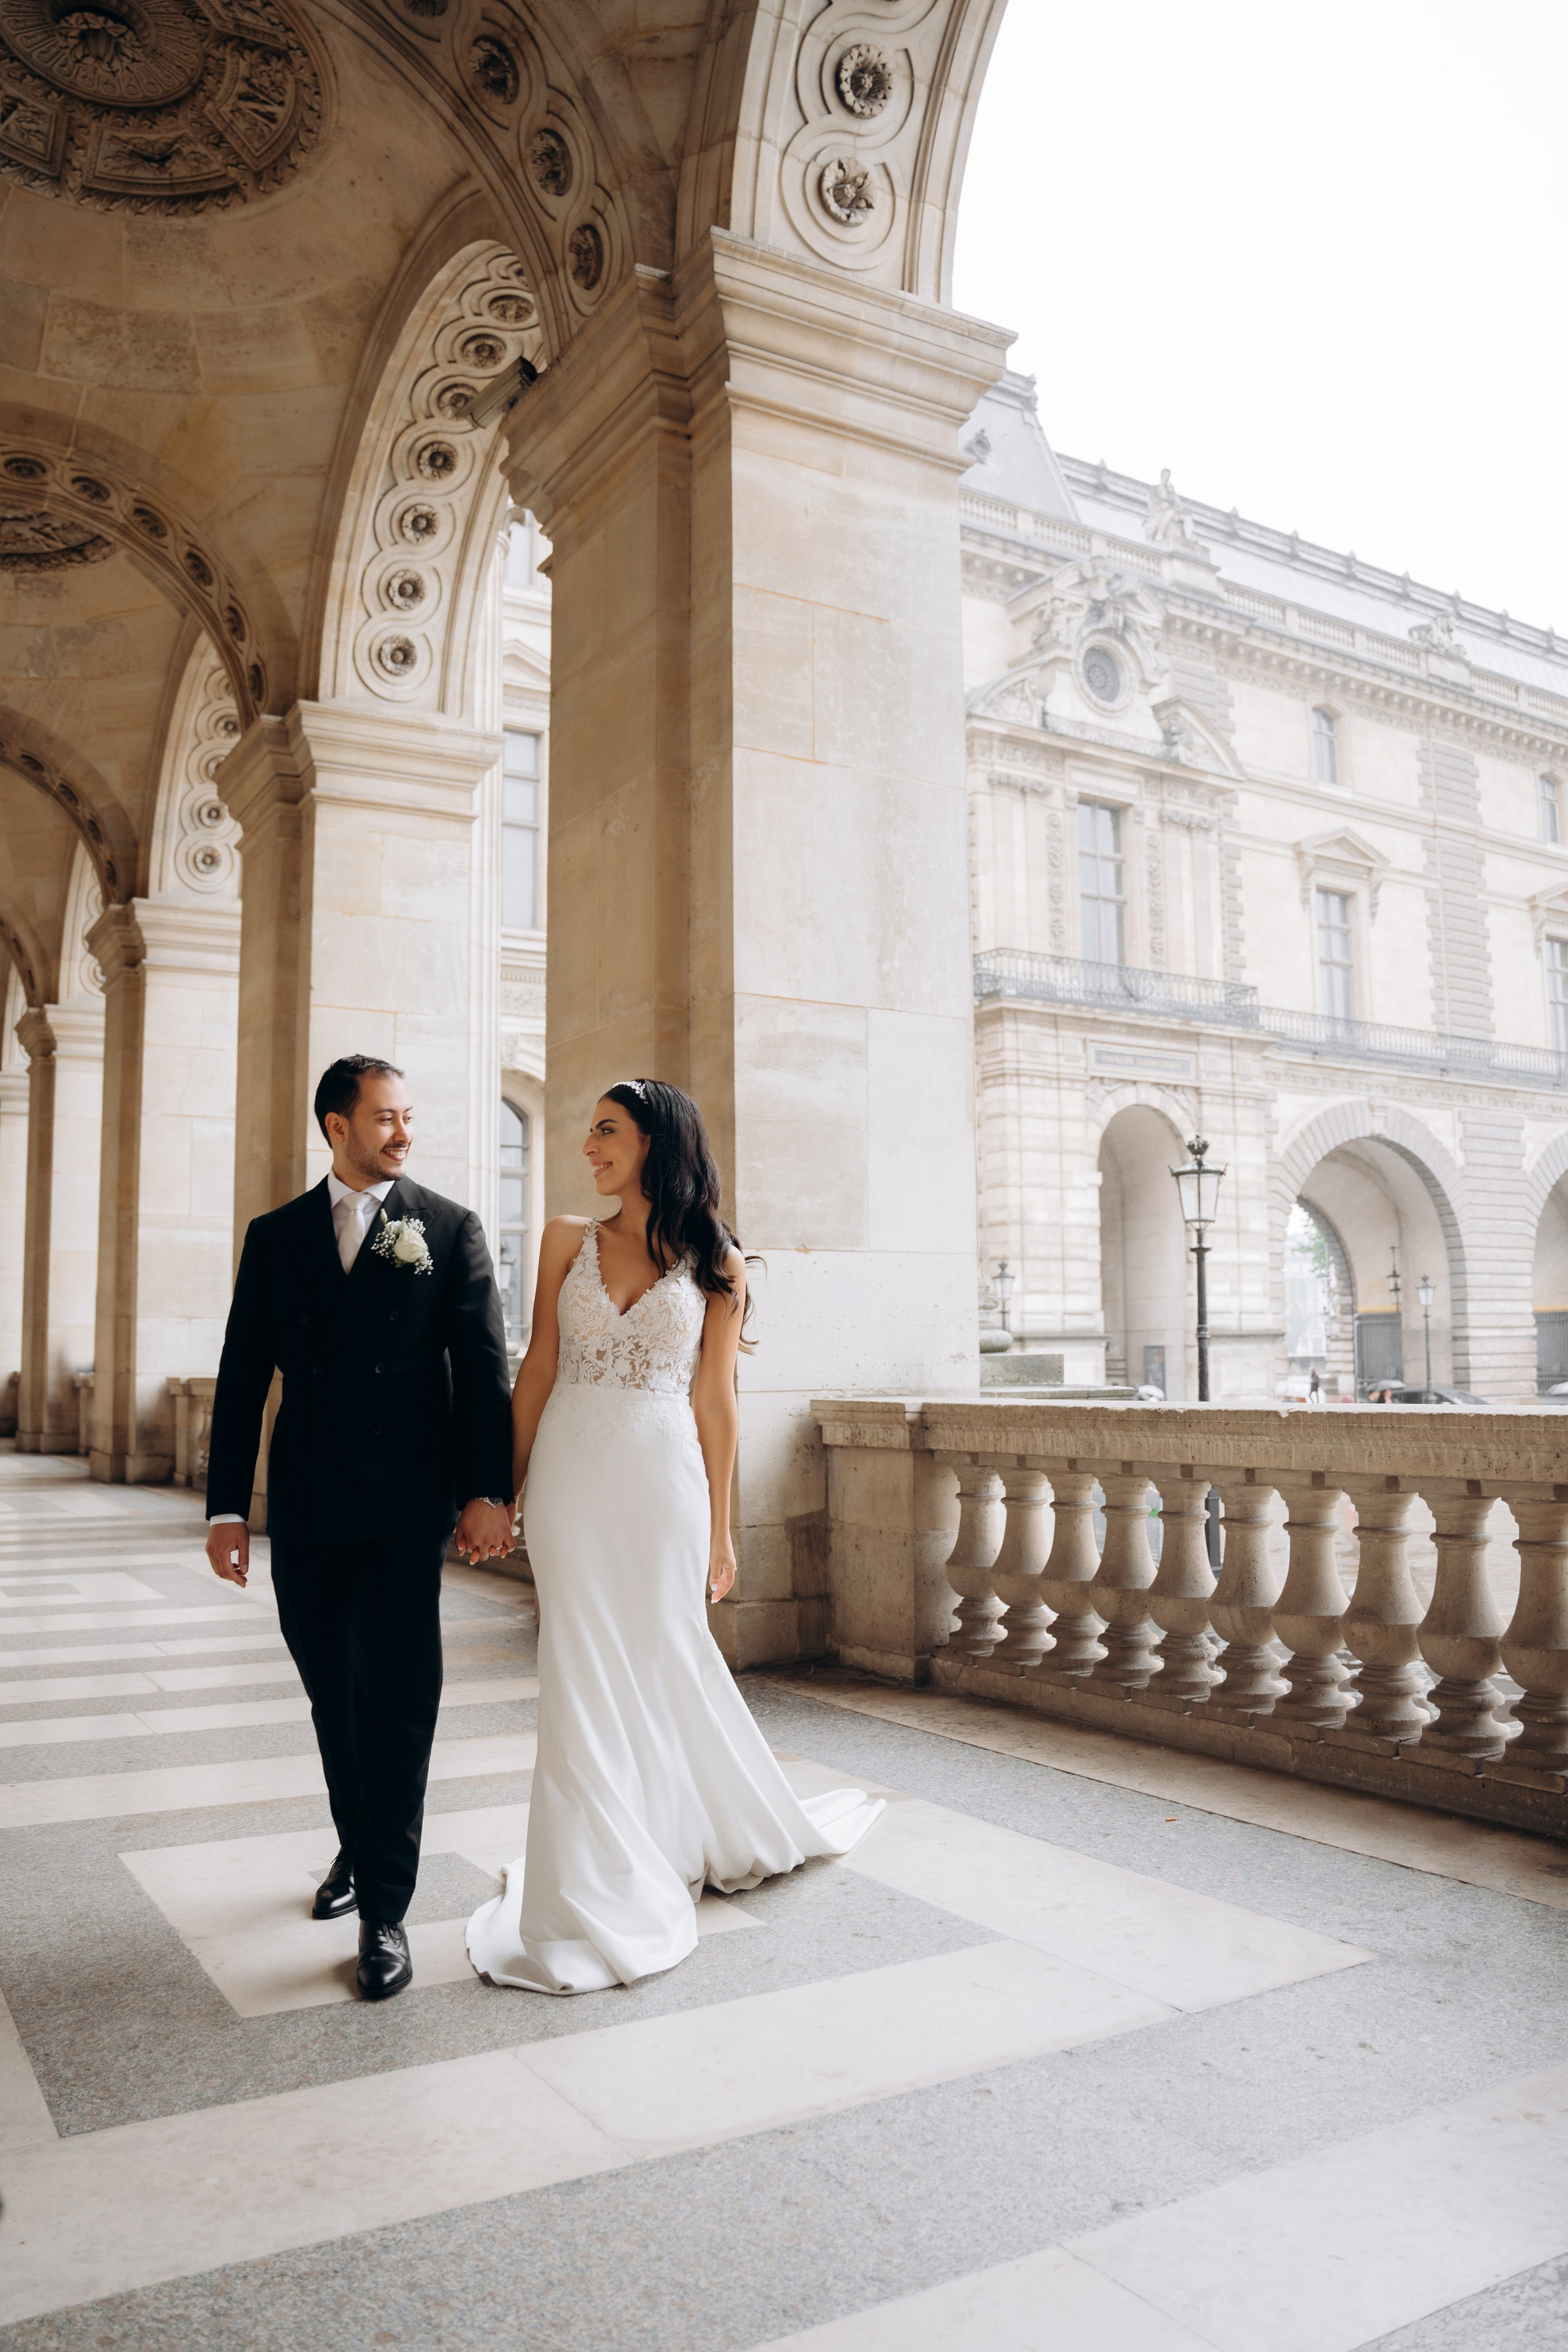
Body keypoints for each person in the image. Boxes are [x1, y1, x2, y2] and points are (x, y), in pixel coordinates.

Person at [467, 1079, 882, 1996]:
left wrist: (722, 1530)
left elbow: (717, 1403)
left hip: (663, 1485)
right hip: (571, 1479)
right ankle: (586, 1881)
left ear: (657, 1142)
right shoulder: (563, 1240)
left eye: (606, 1131)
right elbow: (537, 1368)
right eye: (590, 1131)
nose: (589, 1146)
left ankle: (668, 1829)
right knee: (577, 1665)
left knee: (660, 1657)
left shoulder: (718, 1262)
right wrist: (502, 1490)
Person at [205, 1055, 515, 2000]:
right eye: (385, 1118)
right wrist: (227, 1507)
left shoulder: (448, 1227)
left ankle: (385, 1907)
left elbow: (483, 1373)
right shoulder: (276, 1236)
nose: (404, 1133)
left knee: (398, 1695)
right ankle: (360, 1837)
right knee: (330, 1690)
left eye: (408, 1116)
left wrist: (488, 1491)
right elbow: (242, 1374)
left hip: (405, 1504)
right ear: (336, 1127)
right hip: (306, 1500)